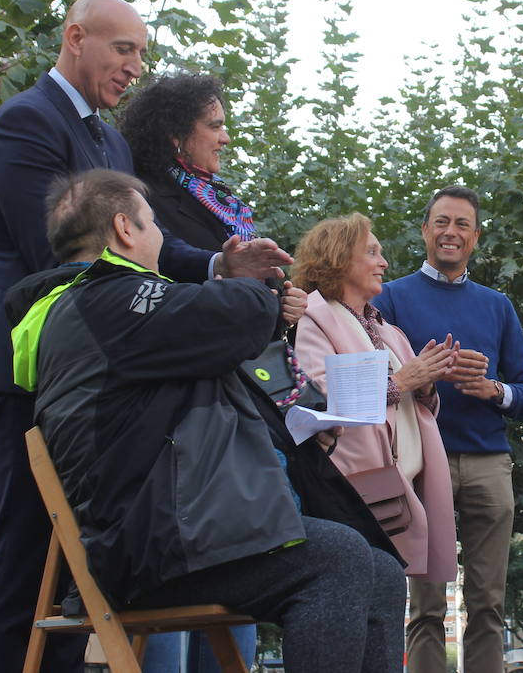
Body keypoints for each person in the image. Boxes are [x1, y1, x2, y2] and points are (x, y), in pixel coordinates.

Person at [0, 0, 292, 673]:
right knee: (22, 564)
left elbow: (137, 247)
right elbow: (68, 257)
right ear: (76, 37)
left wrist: (219, 264)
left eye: (142, 52)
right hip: (27, 374)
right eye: (124, 49)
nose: (136, 67)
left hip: (95, 381)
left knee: (79, 575)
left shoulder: (107, 140)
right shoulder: (24, 124)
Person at [8, 169, 405, 673]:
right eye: (154, 224)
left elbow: (222, 345)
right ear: (125, 228)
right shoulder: (105, 300)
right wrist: (254, 289)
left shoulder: (97, 310)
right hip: (151, 544)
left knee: (384, 571)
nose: (160, 239)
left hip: (171, 529)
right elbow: (229, 316)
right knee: (340, 558)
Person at [117, 73, 309, 671]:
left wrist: (283, 308)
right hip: (188, 415)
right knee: (192, 568)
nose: (226, 136)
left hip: (246, 400)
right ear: (177, 136)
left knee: (242, 570)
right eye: (216, 124)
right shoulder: (147, 204)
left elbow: (242, 298)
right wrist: (247, 292)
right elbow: (174, 294)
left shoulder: (219, 201)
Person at [373, 186, 523, 673]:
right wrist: (425, 371)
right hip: (422, 461)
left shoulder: (497, 306)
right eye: (442, 222)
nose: (451, 232)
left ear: (476, 237)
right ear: (425, 230)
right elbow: (373, 381)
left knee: (488, 601)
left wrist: (492, 389)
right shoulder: (389, 298)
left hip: (490, 462)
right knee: (425, 605)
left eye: (462, 224)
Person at [293, 213, 459, 583]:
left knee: (383, 599)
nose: (384, 263)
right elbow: (320, 401)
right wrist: (403, 379)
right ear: (338, 257)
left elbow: (421, 409)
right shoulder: (313, 318)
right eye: (371, 252)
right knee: (359, 597)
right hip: (352, 494)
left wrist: (428, 383)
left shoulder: (387, 329)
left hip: (397, 489)